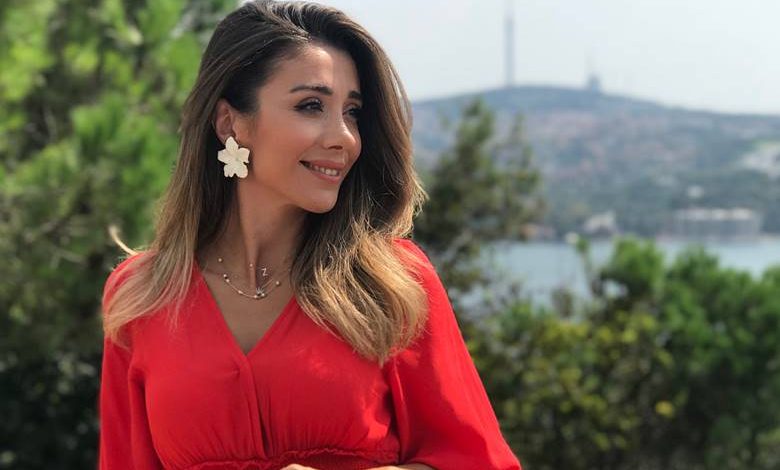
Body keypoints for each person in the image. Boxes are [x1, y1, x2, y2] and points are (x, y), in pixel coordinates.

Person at [97, 1, 522, 469]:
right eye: (311, 106)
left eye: (353, 112)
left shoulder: (395, 284)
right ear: (230, 123)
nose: (344, 137)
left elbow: (479, 461)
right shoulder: (141, 296)